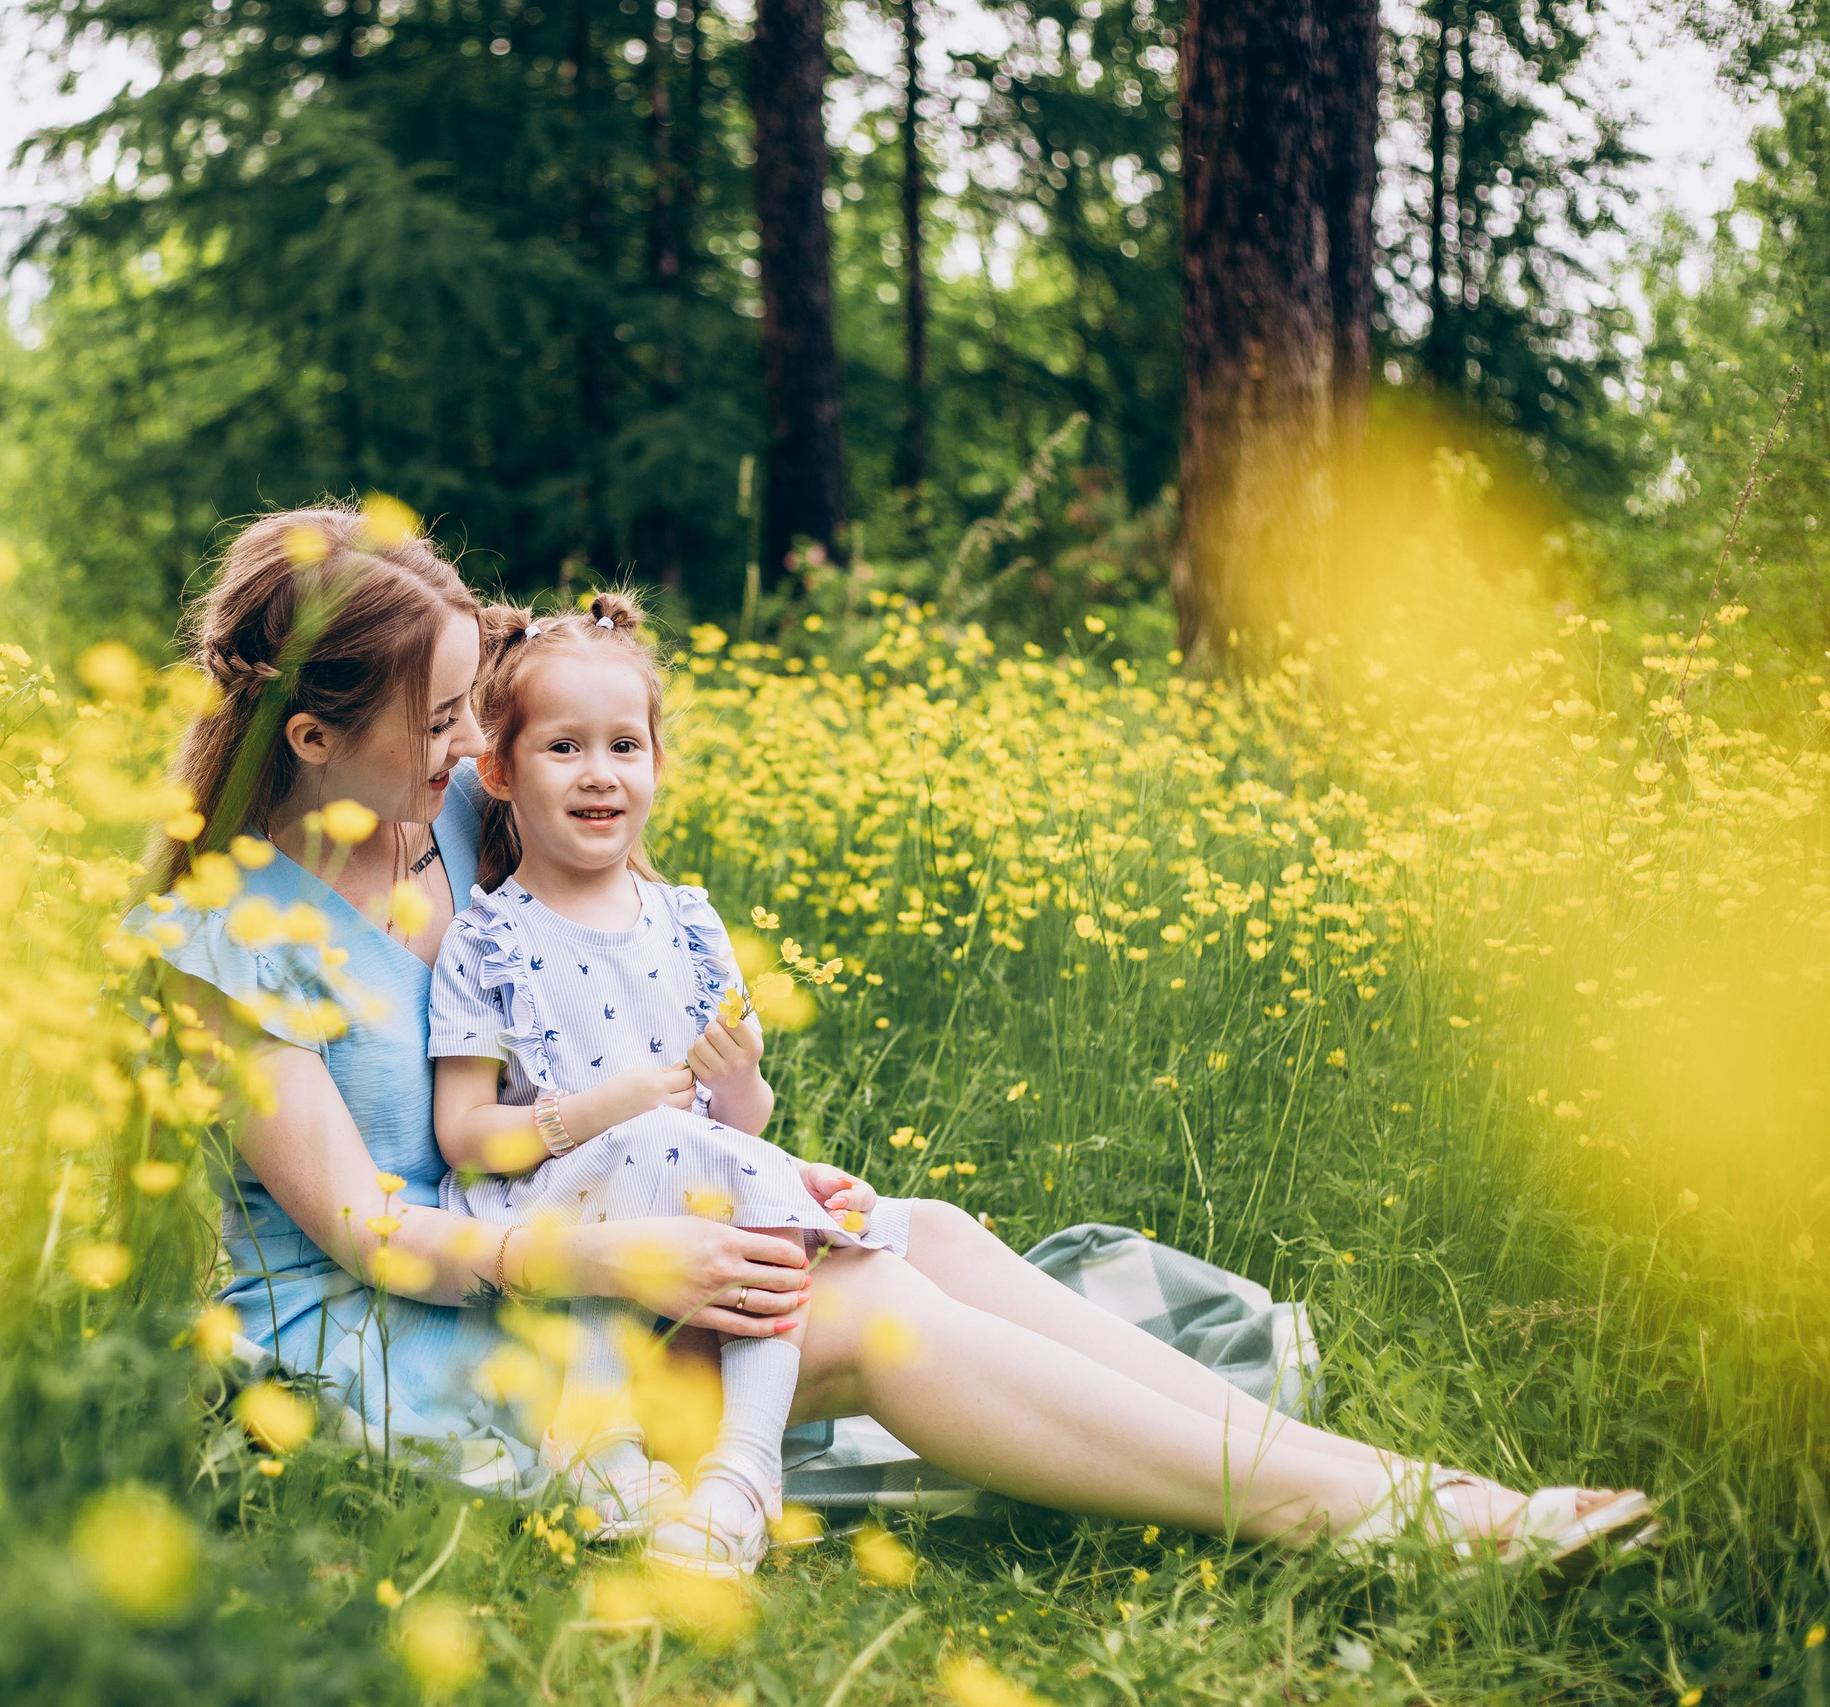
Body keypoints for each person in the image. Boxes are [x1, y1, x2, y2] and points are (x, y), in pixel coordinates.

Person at [133, 502, 1653, 1570]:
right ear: (315, 736)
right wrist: (628, 1257)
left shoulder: (446, 810)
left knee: (916, 1225)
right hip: (411, 1348)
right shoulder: (226, 943)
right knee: (856, 1312)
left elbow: (575, 728)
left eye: (478, 707)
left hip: (548, 1230)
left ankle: (1388, 1484)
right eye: (446, 718)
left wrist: (726, 1157)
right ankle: (1395, 1520)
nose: (478, 746)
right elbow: (366, 1227)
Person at [427, 592, 891, 1575]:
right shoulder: (489, 937)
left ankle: (743, 1468)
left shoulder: (684, 923)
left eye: (624, 748)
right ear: (498, 770)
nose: (599, 775)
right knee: (642, 1149)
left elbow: (741, 1121)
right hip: (554, 1214)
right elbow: (463, 1135)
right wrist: (610, 1106)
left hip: (687, 1188)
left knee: (756, 1188)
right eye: (563, 749)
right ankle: (595, 1445)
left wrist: (746, 1075)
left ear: (656, 765)